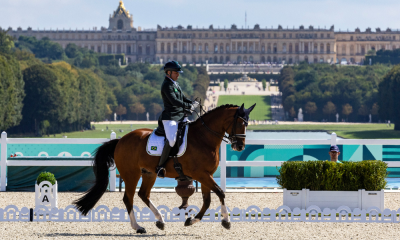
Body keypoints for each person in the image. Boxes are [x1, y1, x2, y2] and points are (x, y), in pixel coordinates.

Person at [155, 61, 199, 178]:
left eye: (178, 73)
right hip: (170, 117)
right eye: (176, 72)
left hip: (180, 116)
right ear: (168, 73)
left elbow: (183, 98)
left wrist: (193, 102)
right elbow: (174, 101)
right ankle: (160, 167)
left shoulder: (175, 84)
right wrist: (188, 106)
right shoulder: (166, 85)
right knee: (172, 140)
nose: (178, 75)